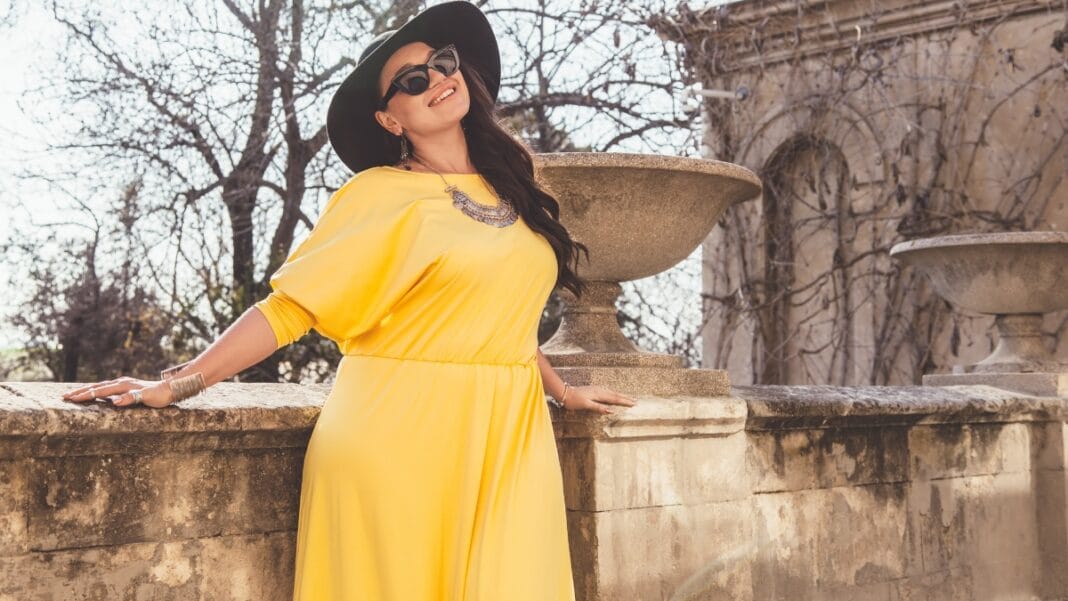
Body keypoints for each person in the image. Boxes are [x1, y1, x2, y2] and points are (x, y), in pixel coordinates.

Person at [60, 1, 637, 599]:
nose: (438, 79)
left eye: (442, 63)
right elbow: (291, 307)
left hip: (508, 436)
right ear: (391, 120)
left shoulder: (510, 187)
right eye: (413, 82)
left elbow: (500, 322)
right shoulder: (378, 195)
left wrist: (562, 390)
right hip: (397, 438)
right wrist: (179, 382)